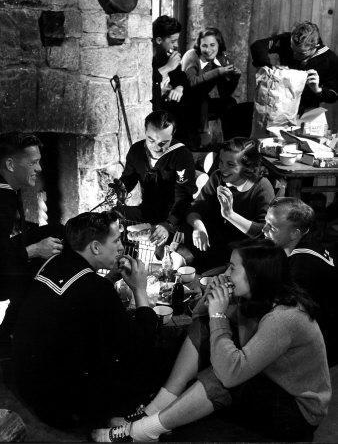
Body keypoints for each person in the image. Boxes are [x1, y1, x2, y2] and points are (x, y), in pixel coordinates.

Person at [92, 240, 331, 442]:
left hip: (296, 409)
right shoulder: (253, 296)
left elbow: (231, 373)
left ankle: (144, 431)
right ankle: (155, 410)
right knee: (205, 327)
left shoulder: (285, 316)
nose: (226, 274)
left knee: (221, 376)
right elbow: (198, 317)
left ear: (256, 274)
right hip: (267, 379)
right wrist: (212, 299)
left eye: (233, 268)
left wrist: (218, 313)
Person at [13, 211, 158, 428]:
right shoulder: (95, 288)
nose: (121, 247)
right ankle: (114, 418)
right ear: (96, 247)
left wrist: (109, 280)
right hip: (62, 408)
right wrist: (140, 290)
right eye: (116, 240)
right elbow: (139, 343)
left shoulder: (53, 262)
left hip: (29, 385)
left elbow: (81, 306)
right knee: (148, 355)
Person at [0, 133, 63, 347]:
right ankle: (11, 337)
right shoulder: (3, 201)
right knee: (35, 273)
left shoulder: (7, 189)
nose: (39, 169)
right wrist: (35, 250)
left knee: (54, 230)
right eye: (33, 163)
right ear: (10, 164)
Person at [263, 196, 338, 365]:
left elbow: (281, 315)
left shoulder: (301, 266)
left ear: (294, 233)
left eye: (272, 227)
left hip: (322, 347)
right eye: (265, 221)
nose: (264, 229)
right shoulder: (305, 242)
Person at [186, 137, 275, 272]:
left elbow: (263, 232)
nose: (222, 168)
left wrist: (229, 214)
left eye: (230, 165)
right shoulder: (217, 178)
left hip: (243, 255)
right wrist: (198, 225)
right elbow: (196, 207)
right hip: (214, 246)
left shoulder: (262, 187)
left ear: (247, 167)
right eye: (221, 162)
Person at [116, 110, 196, 249]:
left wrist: (169, 223)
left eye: (164, 142)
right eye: (151, 140)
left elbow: (184, 197)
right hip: (147, 210)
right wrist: (119, 189)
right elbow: (128, 178)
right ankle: (127, 262)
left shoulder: (182, 155)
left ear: (173, 135)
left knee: (170, 250)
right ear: (145, 132)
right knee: (115, 216)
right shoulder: (136, 150)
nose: (157, 147)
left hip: (174, 215)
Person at [251, 21, 338, 115]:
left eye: (301, 53)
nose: (294, 55)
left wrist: (317, 90)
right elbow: (258, 45)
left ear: (315, 46)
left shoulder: (330, 59)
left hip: (305, 110)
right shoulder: (286, 40)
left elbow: (334, 95)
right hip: (276, 102)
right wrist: (268, 69)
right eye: (293, 49)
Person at [181, 27, 241, 149]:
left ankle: (232, 145)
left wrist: (235, 78)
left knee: (230, 103)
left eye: (212, 45)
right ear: (199, 46)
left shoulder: (219, 60)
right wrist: (218, 72)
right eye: (204, 46)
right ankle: (203, 138)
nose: (208, 50)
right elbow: (190, 83)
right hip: (184, 103)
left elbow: (224, 93)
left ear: (219, 44)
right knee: (201, 97)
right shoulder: (191, 56)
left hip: (203, 105)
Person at [152, 15, 187, 141]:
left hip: (168, 105)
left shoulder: (167, 56)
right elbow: (148, 81)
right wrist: (168, 67)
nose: (176, 45)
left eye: (177, 40)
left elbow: (181, 76)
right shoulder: (147, 57)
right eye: (173, 41)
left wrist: (179, 87)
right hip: (154, 106)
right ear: (159, 40)